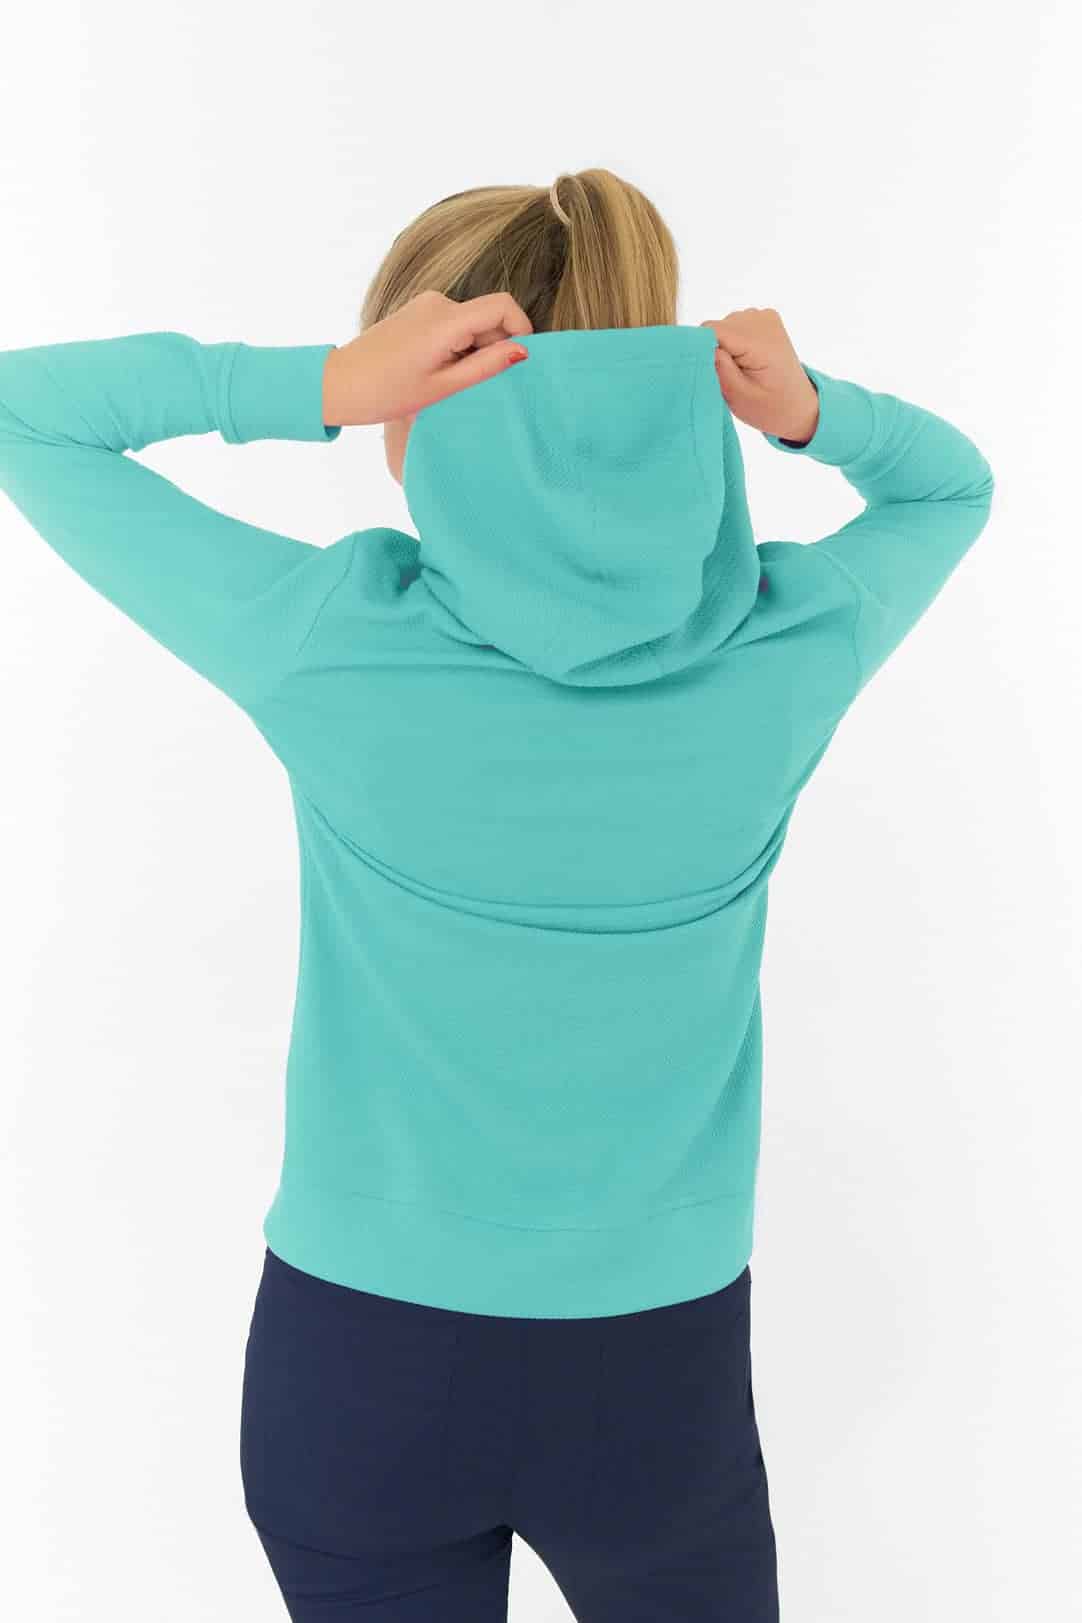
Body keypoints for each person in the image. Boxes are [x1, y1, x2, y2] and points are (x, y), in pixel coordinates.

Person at [0, 167, 994, 1621]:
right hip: (657, 1379)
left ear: (420, 398)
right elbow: (952, 487)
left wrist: (318, 383)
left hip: (354, 1367)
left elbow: (23, 413)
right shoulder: (789, 646)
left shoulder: (328, 641)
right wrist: (810, 412)